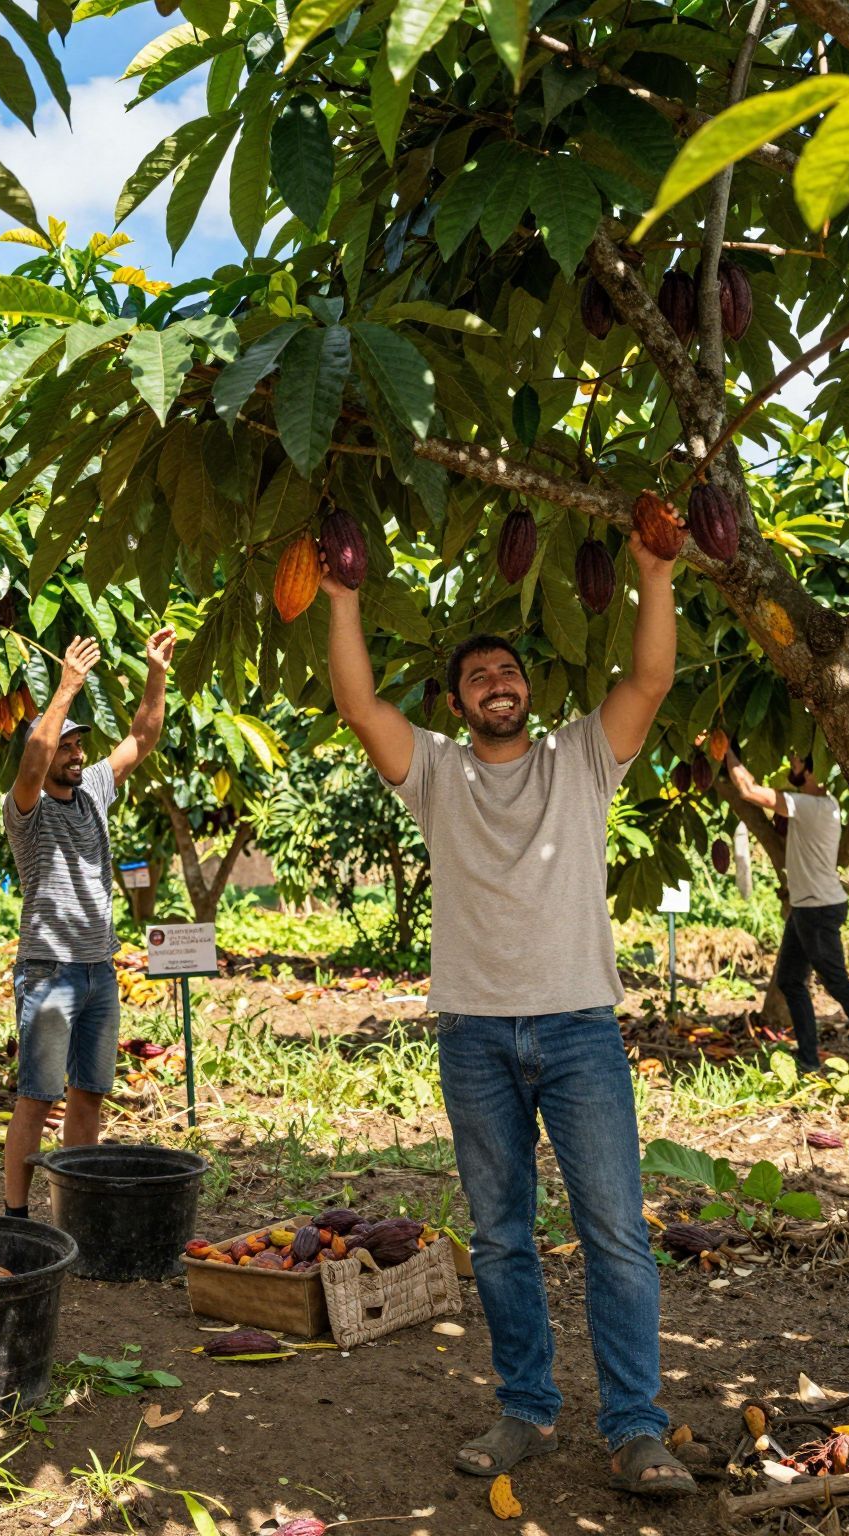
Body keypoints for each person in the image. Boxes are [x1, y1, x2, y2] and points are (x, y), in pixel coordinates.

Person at [321, 542, 692, 1499]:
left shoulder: (580, 758)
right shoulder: (437, 773)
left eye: (510, 671)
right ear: (458, 702)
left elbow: (651, 677)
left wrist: (655, 574)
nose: (498, 682)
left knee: (615, 1231)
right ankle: (526, 1409)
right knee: (500, 1237)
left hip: (578, 1032)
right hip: (475, 1035)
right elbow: (361, 708)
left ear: (528, 692)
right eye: (479, 674)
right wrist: (342, 598)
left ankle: (635, 1428)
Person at [0, 628, 177, 1218]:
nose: (76, 755)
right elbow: (31, 760)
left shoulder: (94, 789)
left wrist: (155, 672)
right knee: (37, 1097)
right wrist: (67, 689)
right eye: (66, 746)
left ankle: (72, 1210)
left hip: (100, 969)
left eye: (79, 747)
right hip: (49, 970)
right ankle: (17, 1216)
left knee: (90, 1094)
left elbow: (142, 736)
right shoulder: (27, 808)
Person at [722, 750, 849, 1074]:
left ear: (813, 769)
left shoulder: (814, 806)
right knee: (789, 980)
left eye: (797, 760)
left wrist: (727, 750)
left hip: (818, 908)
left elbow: (750, 792)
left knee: (837, 982)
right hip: (806, 908)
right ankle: (809, 1060)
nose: (791, 765)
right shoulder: (815, 806)